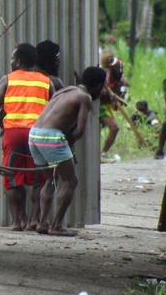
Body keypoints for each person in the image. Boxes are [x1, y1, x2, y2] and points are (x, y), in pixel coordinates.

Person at [28, 67, 107, 236]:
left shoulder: (66, 90)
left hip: (34, 134)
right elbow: (79, 131)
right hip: (51, 137)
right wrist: (66, 146)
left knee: (50, 180)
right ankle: (56, 226)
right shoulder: (84, 97)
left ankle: (43, 223)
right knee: (70, 181)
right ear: (99, 86)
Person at [0, 44, 52, 231]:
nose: (10, 62)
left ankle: (17, 222)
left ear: (18, 61)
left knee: (13, 176)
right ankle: (34, 219)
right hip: (38, 134)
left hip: (14, 133)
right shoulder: (46, 81)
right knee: (39, 179)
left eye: (11, 58)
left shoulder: (8, 79)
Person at [99, 56, 128, 163]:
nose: (119, 70)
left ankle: (101, 153)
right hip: (102, 106)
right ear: (110, 68)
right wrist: (110, 93)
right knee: (114, 128)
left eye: (121, 68)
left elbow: (124, 88)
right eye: (117, 68)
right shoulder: (105, 77)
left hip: (109, 106)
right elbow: (103, 91)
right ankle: (103, 153)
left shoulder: (120, 78)